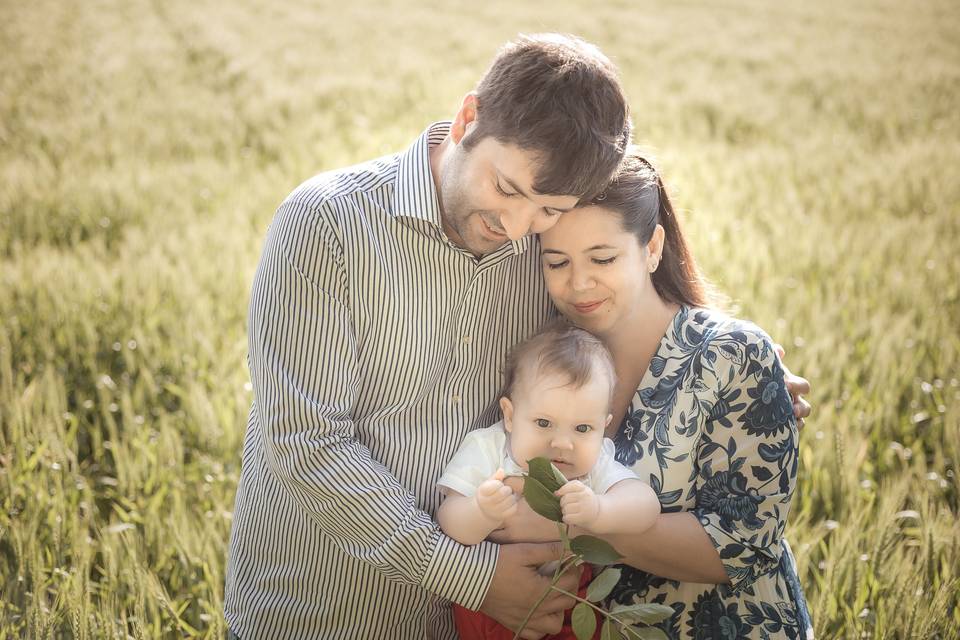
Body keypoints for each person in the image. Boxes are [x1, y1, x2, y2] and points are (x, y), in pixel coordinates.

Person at [224, 33, 635, 640]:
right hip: (316, 610)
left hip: (476, 626)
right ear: (468, 117)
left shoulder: (546, 251)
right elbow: (304, 443)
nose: (518, 227)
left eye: (548, 209)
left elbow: (635, 247)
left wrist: (727, 360)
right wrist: (470, 576)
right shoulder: (328, 224)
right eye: (508, 189)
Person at [493, 149, 813, 638]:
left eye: (603, 258)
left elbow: (740, 548)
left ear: (652, 247)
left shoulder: (732, 355)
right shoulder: (550, 355)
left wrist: (575, 525)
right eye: (557, 262)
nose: (579, 284)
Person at [436, 321, 661, 639]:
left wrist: (600, 510)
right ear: (510, 415)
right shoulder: (489, 447)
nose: (563, 443)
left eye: (582, 429)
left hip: (567, 602)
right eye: (544, 423)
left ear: (603, 426)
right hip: (488, 600)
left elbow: (646, 507)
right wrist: (480, 511)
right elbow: (449, 519)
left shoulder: (595, 461)